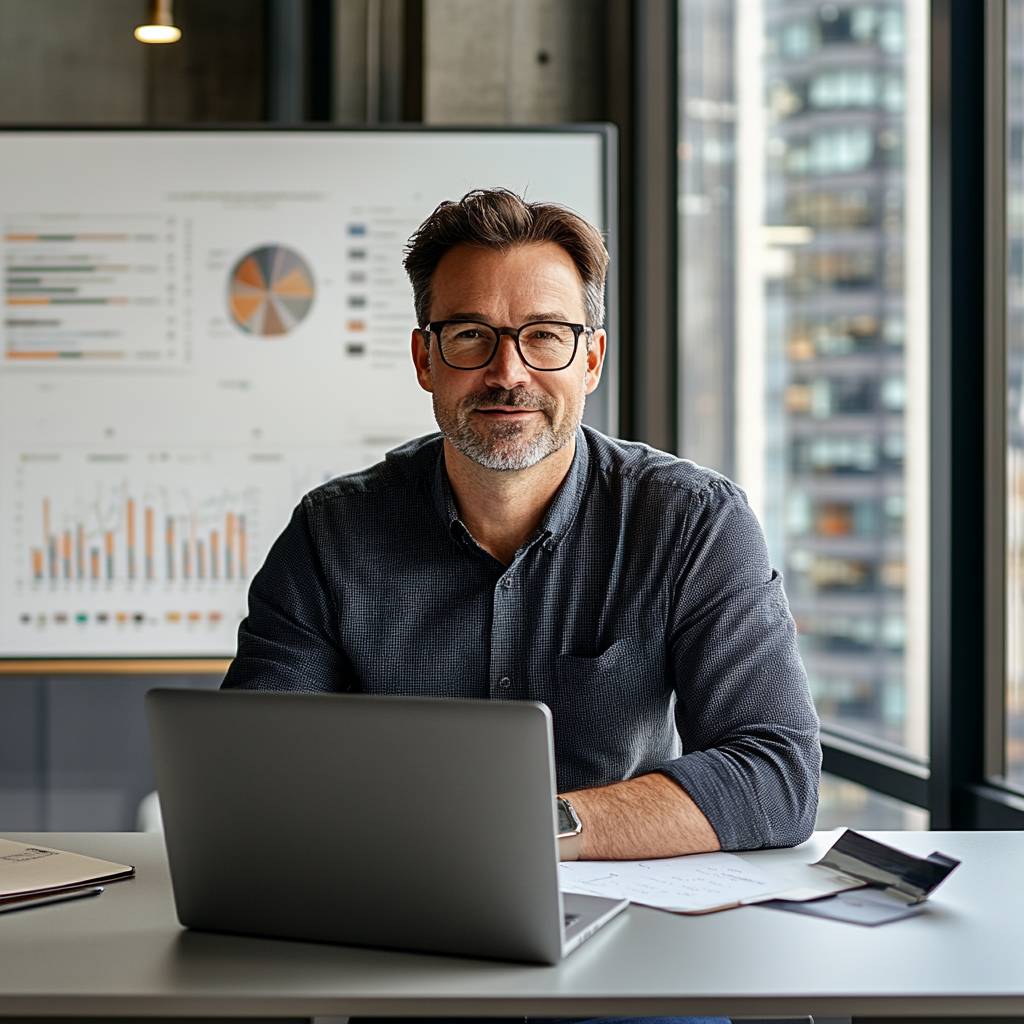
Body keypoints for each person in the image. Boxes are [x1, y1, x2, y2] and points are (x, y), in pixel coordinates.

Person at [222, 187, 821, 1024]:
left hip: (636, 953)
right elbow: (250, 772)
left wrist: (535, 824)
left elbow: (777, 775)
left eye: (544, 336)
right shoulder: (334, 531)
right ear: (426, 360)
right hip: (406, 951)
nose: (509, 373)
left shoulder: (690, 521)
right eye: (471, 336)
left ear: (591, 358)